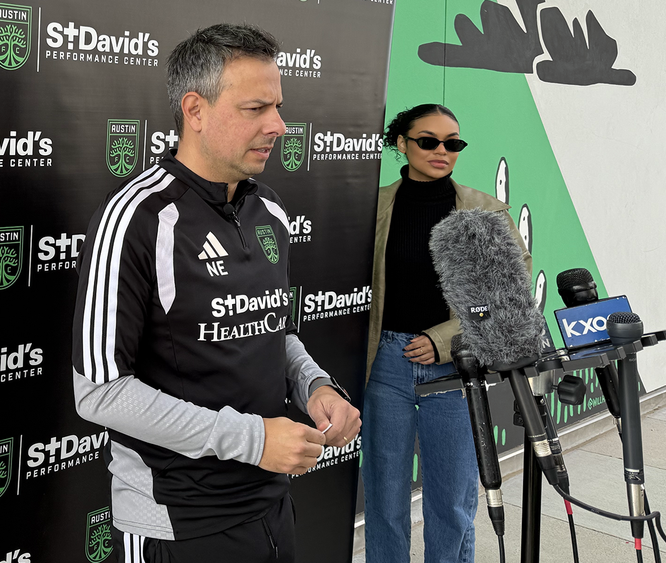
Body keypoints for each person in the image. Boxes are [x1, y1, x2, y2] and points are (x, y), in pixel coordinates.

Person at [71, 23, 360, 563]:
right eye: (256, 109)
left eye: (278, 106)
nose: (278, 126)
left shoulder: (269, 208)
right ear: (195, 110)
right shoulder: (136, 217)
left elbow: (274, 332)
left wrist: (316, 387)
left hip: (272, 504)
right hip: (179, 522)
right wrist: (252, 440)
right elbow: (100, 392)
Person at [361, 104, 530, 563]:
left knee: (452, 503)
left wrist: (445, 339)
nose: (442, 150)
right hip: (386, 364)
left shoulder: (484, 210)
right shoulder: (373, 205)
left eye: (453, 142)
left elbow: (507, 297)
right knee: (385, 498)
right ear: (401, 143)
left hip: (456, 369)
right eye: (428, 141)